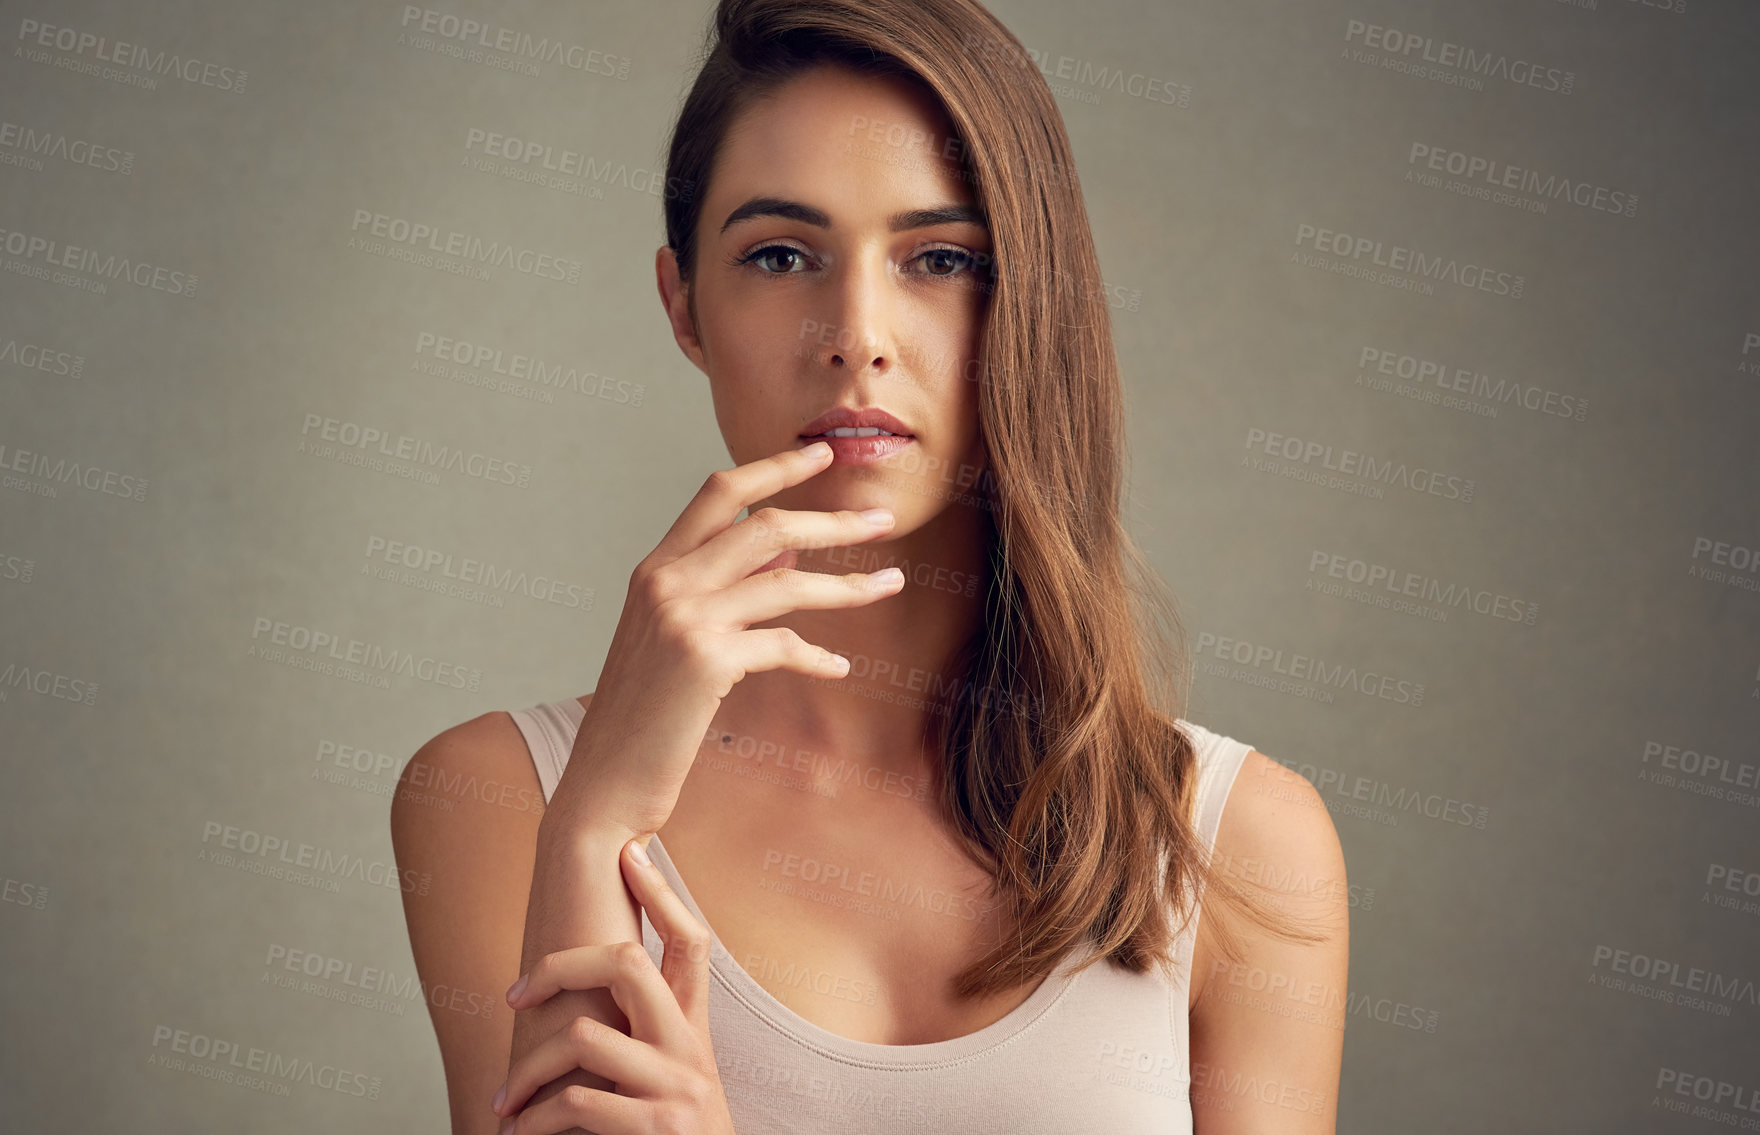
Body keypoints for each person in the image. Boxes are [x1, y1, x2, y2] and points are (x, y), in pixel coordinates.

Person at [391, 0, 1349, 1132]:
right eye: (780, 255)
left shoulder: (1235, 844)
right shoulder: (503, 799)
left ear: (1032, 302)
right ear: (682, 305)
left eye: (939, 258)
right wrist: (594, 822)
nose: (857, 332)